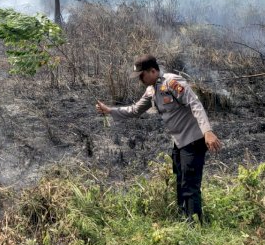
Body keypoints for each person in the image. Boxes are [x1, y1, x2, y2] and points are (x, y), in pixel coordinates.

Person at [95, 54, 222, 223]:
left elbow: (195, 103)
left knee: (190, 184)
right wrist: (110, 110)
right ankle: (184, 219)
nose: (140, 79)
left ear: (152, 71)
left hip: (194, 139)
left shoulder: (171, 82)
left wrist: (208, 131)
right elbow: (135, 110)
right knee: (180, 180)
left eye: (141, 75)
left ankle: (196, 226)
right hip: (180, 142)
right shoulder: (152, 90)